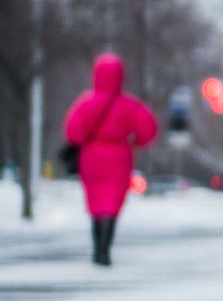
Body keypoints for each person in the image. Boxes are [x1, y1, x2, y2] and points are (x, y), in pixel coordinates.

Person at [63, 52, 159, 267]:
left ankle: (97, 248)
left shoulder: (86, 104)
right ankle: (105, 250)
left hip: (91, 158)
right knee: (112, 204)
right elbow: (148, 128)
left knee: (95, 203)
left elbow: (73, 131)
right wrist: (136, 142)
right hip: (119, 158)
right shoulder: (129, 105)